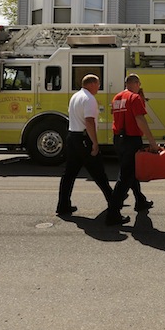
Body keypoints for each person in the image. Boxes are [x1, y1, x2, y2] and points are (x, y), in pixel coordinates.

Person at [56, 74, 123, 223]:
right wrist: (95, 143)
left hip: (72, 137)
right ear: (91, 84)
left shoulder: (76, 97)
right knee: (100, 175)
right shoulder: (89, 99)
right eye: (98, 84)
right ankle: (114, 210)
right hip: (84, 139)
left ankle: (63, 205)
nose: (99, 87)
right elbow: (89, 121)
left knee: (69, 174)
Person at [109, 73, 159, 221]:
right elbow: (140, 119)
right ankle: (113, 213)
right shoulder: (134, 98)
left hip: (118, 139)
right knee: (125, 177)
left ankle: (140, 201)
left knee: (130, 171)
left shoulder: (116, 98)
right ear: (136, 84)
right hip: (131, 140)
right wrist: (152, 142)